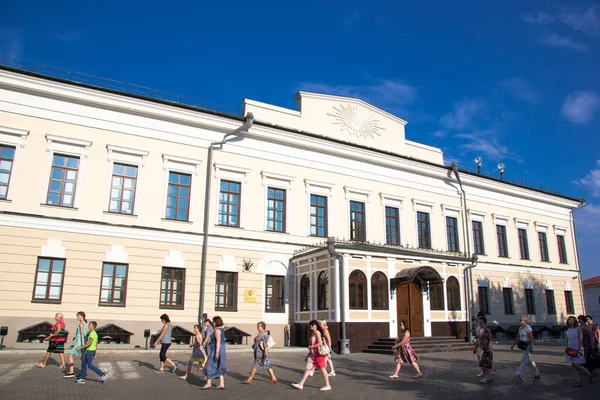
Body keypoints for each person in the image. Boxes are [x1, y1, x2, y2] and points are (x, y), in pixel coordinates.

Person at [292, 320, 331, 391]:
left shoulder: (317, 333)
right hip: (313, 354)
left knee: (322, 369)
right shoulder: (313, 333)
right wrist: (309, 353)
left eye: (313, 325)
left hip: (318, 354)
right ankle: (301, 384)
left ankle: (327, 385)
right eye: (310, 325)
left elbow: (320, 343)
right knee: (307, 368)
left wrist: (311, 347)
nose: (311, 326)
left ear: (316, 326)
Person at [74, 321, 107, 385]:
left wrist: (80, 347)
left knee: (90, 365)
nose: (88, 326)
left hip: (90, 351)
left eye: (90, 325)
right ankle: (82, 379)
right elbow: (96, 343)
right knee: (83, 364)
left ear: (93, 326)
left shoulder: (92, 334)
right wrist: (95, 353)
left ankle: (102, 374)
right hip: (90, 351)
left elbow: (89, 344)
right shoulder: (94, 333)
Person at [566, 316, 593, 387]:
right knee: (573, 366)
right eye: (569, 320)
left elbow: (580, 339)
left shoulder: (578, 329)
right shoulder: (569, 329)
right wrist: (567, 348)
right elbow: (568, 339)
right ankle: (577, 381)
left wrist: (580, 348)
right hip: (570, 348)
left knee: (577, 365)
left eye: (571, 320)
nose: (570, 321)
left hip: (577, 348)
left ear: (574, 321)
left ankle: (589, 375)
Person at [510, 316, 540, 380]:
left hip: (528, 345)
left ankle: (518, 374)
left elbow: (531, 338)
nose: (520, 321)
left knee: (524, 360)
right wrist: (513, 345)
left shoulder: (528, 328)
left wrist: (531, 347)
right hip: (523, 345)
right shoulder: (520, 328)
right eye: (519, 320)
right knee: (530, 360)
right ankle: (536, 372)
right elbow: (518, 337)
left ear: (525, 321)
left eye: (521, 320)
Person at [202, 316, 227, 390]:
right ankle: (221, 383)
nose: (212, 322)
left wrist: (216, 352)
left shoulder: (217, 330)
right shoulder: (221, 329)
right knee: (219, 365)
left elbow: (218, 341)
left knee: (209, 365)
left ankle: (208, 383)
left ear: (216, 322)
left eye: (213, 321)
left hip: (216, 349)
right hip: (221, 349)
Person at [64, 311, 88, 378]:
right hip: (82, 342)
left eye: (78, 316)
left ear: (82, 316)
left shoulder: (81, 323)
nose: (77, 317)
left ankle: (71, 372)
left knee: (71, 354)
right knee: (82, 357)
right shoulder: (85, 323)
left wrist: (82, 344)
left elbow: (82, 334)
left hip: (79, 343)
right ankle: (83, 372)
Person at [473, 317, 493, 384]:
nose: (480, 323)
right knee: (483, 364)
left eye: (481, 322)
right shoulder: (479, 330)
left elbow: (490, 340)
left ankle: (486, 378)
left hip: (486, 349)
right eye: (479, 322)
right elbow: (478, 340)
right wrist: (475, 348)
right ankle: (488, 377)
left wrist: (488, 348)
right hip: (481, 348)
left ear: (484, 323)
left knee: (486, 364)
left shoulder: (487, 330)